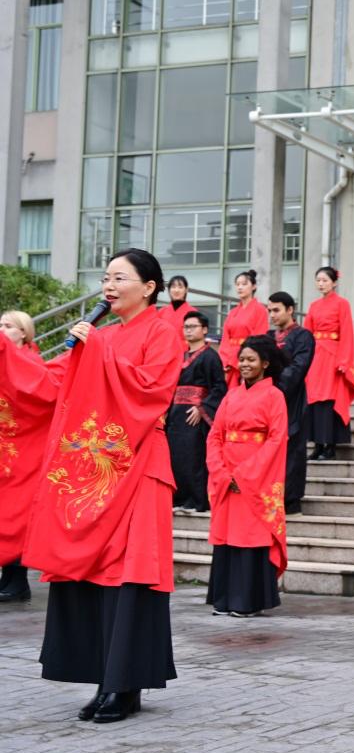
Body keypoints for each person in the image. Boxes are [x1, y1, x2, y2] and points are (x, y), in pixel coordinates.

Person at [23, 248, 181, 723]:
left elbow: (152, 390)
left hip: (140, 463)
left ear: (149, 287)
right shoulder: (102, 334)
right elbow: (54, 384)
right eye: (105, 277)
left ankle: (125, 684)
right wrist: (11, 357)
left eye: (119, 278)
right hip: (97, 469)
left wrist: (97, 349)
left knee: (129, 572)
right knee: (92, 571)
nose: (108, 286)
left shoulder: (162, 331)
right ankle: (104, 678)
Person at [205, 335, 289, 617]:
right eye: (241, 359)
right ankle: (224, 599)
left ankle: (248, 601)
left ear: (265, 363)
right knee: (227, 536)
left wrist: (244, 475)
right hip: (226, 476)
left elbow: (277, 440)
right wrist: (219, 471)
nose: (244, 364)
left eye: (251, 359)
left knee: (251, 535)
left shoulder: (274, 396)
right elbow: (215, 435)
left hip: (255, 479)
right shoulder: (231, 395)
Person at [0, 310, 56, 603]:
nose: (2, 330)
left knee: (18, 514)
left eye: (8, 326)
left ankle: (18, 581)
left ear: (24, 333)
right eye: (0, 325)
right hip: (7, 447)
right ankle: (8, 578)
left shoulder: (32, 364)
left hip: (26, 450)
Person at [168, 311, 227, 515]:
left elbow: (219, 387)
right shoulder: (180, 356)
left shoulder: (211, 356)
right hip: (176, 414)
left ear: (204, 330)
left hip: (195, 416)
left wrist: (202, 408)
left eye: (193, 326)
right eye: (186, 327)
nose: (189, 330)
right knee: (176, 457)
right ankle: (179, 498)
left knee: (194, 457)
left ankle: (197, 500)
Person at [268, 292, 316, 515]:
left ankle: (290, 500)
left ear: (290, 310)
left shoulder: (303, 336)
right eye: (269, 310)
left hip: (292, 399)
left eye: (276, 310)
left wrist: (275, 388)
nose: (272, 315)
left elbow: (298, 367)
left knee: (293, 449)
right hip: (267, 401)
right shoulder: (267, 337)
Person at [304, 266, 354, 462]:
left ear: (334, 282)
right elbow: (307, 333)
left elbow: (347, 333)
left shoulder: (342, 304)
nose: (321, 284)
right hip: (316, 357)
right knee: (314, 399)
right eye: (318, 280)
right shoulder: (313, 306)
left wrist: (344, 360)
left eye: (325, 280)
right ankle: (317, 445)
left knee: (330, 399)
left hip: (333, 356)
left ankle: (330, 446)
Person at [219, 270, 269, 388]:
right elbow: (225, 338)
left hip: (247, 358)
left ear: (254, 286)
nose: (240, 287)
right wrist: (225, 360)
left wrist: (243, 359)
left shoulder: (260, 310)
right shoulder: (233, 312)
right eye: (237, 284)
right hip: (230, 360)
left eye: (244, 284)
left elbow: (259, 338)